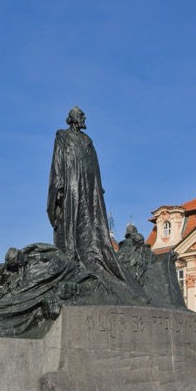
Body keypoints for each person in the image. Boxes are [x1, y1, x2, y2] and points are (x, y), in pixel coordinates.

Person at [46, 106, 143, 300]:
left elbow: (94, 166)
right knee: (71, 221)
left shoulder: (87, 141)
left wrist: (97, 187)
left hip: (89, 189)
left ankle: (91, 257)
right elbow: (57, 163)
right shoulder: (62, 136)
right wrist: (59, 186)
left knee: (90, 222)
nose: (84, 119)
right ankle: (72, 257)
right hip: (72, 185)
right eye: (81, 116)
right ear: (73, 118)